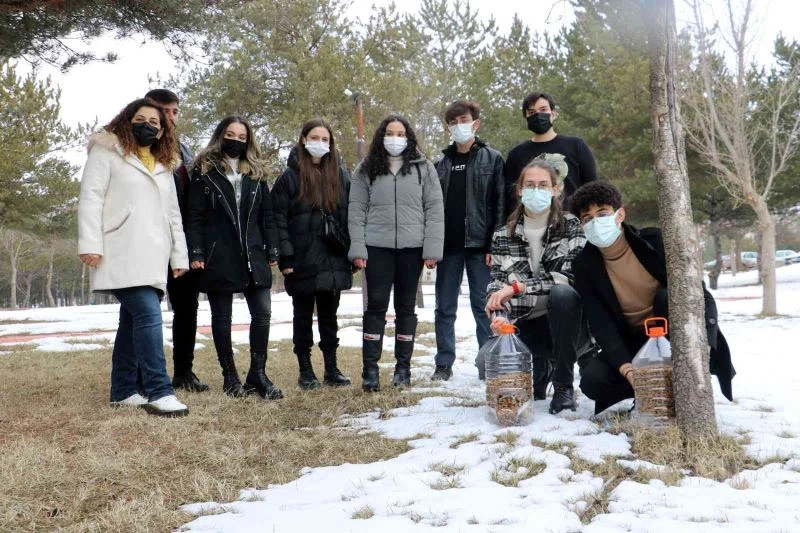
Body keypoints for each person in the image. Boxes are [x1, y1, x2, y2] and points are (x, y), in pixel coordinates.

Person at [568, 181, 735, 414]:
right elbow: (600, 321)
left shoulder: (655, 241)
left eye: (602, 213)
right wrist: (628, 369)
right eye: (587, 218)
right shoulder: (584, 264)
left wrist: (703, 343)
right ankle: (646, 392)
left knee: (666, 297)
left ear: (620, 214)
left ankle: (679, 387)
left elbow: (697, 293)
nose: (595, 222)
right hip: (634, 340)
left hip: (673, 331)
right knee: (593, 380)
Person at [78, 97, 190, 417]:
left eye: (155, 123)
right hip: (119, 250)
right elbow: (91, 198)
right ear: (127, 120)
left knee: (131, 322)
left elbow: (173, 215)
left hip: (154, 255)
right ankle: (159, 390)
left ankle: (123, 390)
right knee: (148, 315)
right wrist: (90, 244)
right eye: (141, 119)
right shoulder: (106, 151)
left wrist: (178, 255)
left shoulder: (164, 163)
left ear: (161, 131)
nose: (148, 126)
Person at [186, 115, 283, 400]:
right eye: (231, 134)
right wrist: (197, 251)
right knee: (222, 317)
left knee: (263, 313)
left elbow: (268, 216)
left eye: (242, 137)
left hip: (254, 253)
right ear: (220, 135)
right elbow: (194, 216)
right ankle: (230, 377)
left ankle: (258, 374)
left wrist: (273, 248)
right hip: (219, 253)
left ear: (248, 140)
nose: (236, 141)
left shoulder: (256, 173)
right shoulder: (203, 171)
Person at [485, 160, 590, 414]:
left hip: (568, 323)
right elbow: (497, 282)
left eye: (543, 185)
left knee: (562, 294)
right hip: (525, 323)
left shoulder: (571, 226)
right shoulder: (502, 235)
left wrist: (518, 287)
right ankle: (540, 364)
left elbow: (569, 277)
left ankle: (563, 385)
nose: (536, 190)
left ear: (556, 189)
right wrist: (498, 314)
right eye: (529, 185)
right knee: (482, 363)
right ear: (519, 190)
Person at [348, 115, 444, 392]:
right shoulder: (366, 168)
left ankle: (403, 369)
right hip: (376, 248)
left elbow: (434, 210)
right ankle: (370, 370)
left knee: (405, 308)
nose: (395, 138)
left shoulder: (423, 168)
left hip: (412, 250)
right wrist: (358, 246)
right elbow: (356, 210)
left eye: (400, 133)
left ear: (408, 137)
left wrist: (432, 250)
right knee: (376, 306)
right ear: (381, 136)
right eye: (390, 133)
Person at [272, 119, 353, 390]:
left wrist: (351, 254)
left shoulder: (340, 176)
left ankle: (331, 368)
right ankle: (305, 370)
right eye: (314, 137)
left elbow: (350, 215)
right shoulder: (289, 177)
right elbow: (278, 219)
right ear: (303, 139)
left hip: (333, 257)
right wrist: (286, 258)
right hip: (302, 259)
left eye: (325, 139)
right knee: (302, 316)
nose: (320, 143)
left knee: (330, 317)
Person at [431, 100, 505, 381]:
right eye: (452, 122)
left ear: (475, 123)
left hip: (480, 246)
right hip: (447, 247)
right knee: (444, 306)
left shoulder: (493, 158)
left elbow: (500, 204)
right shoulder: (440, 163)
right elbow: (432, 207)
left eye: (463, 119)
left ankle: (486, 360)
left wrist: (493, 245)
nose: (458, 126)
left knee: (482, 304)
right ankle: (443, 363)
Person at [144, 88, 208, 393]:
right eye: (164, 111)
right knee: (145, 310)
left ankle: (184, 372)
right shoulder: (136, 149)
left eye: (174, 112)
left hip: (182, 243)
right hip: (148, 243)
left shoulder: (184, 150)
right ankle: (144, 375)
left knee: (187, 309)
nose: (170, 117)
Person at [504, 92, 597, 218]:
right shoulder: (516, 154)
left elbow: (592, 188)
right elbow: (511, 199)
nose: (537, 115)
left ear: (553, 114)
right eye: (531, 112)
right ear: (526, 118)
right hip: (532, 226)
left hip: (573, 225)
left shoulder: (576, 146)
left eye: (543, 109)